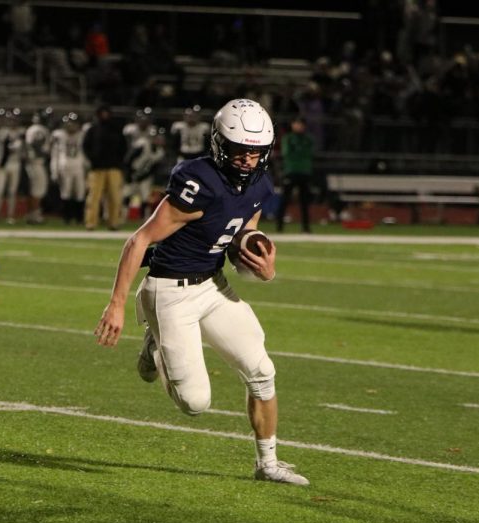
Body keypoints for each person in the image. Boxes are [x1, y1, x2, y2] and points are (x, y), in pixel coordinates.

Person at [94, 99, 308, 486]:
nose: (247, 159)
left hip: (212, 284)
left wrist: (261, 262)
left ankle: (268, 463)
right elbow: (140, 240)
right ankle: (155, 343)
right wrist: (117, 305)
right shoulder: (199, 181)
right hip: (169, 291)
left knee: (262, 371)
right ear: (219, 144)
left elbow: (243, 232)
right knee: (195, 403)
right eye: (240, 150)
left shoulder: (261, 183)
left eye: (255, 152)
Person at [83, 105, 127, 230]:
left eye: (106, 113)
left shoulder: (116, 129)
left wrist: (119, 162)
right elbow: (86, 147)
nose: (104, 115)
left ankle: (114, 222)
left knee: (114, 197)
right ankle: (91, 222)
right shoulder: (92, 130)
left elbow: (123, 147)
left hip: (114, 167)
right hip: (97, 168)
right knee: (93, 197)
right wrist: (93, 159)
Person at [276, 116, 314, 233]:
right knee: (285, 199)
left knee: (304, 201)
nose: (298, 126)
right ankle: (279, 226)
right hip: (291, 171)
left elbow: (309, 153)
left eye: (301, 124)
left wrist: (297, 151)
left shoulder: (308, 138)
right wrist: (299, 151)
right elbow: (286, 153)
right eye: (296, 123)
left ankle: (306, 227)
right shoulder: (288, 138)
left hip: (304, 171)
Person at [50, 111, 87, 224]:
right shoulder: (59, 135)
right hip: (64, 167)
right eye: (69, 123)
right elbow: (54, 154)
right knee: (66, 192)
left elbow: (86, 152)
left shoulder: (82, 134)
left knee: (80, 192)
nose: (71, 126)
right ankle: (67, 217)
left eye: (74, 123)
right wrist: (54, 171)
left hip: (79, 167)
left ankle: (79, 218)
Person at [23, 107, 53, 224]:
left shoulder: (33, 129)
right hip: (36, 161)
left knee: (36, 189)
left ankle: (32, 214)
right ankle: (35, 215)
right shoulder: (38, 129)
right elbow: (34, 145)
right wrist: (44, 153)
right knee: (38, 189)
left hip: (34, 162)